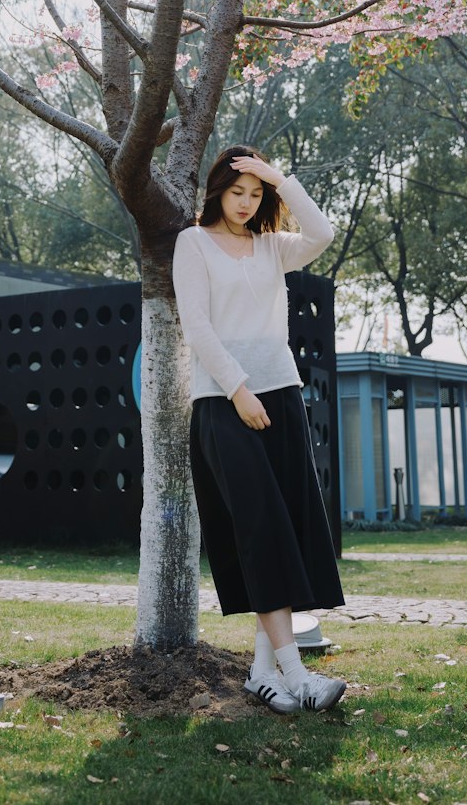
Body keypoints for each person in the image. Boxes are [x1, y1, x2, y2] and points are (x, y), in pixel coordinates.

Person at [173, 146, 347, 714]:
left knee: (284, 529)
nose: (246, 204)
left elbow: (322, 232)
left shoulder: (274, 247)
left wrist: (279, 178)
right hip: (225, 401)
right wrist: (238, 389)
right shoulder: (191, 242)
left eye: (256, 194)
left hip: (283, 394)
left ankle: (261, 673)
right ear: (217, 191)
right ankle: (297, 676)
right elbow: (196, 325)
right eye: (237, 192)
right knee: (259, 525)